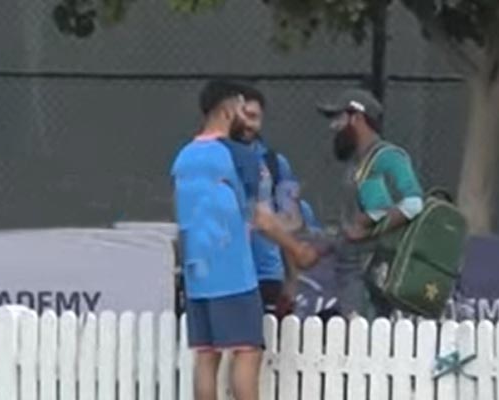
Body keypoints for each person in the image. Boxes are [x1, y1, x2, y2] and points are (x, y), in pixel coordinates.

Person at [170, 80, 317, 400]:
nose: (244, 116)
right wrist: (296, 249)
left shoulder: (184, 157)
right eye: (240, 108)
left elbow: (182, 217)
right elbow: (262, 217)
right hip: (233, 272)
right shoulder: (239, 156)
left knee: (207, 356)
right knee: (247, 352)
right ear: (226, 111)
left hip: (198, 274)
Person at [317, 88, 425, 320]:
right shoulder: (359, 162)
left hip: (371, 269)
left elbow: (413, 203)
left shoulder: (387, 157)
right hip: (354, 269)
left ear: (356, 117)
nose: (333, 126)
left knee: (362, 337)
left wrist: (368, 227)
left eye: (339, 118)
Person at [233, 85, 304, 319]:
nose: (248, 123)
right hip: (224, 276)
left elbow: (291, 222)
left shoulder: (275, 163)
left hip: (267, 275)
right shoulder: (213, 157)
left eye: (254, 117)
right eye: (242, 115)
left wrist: (292, 280)